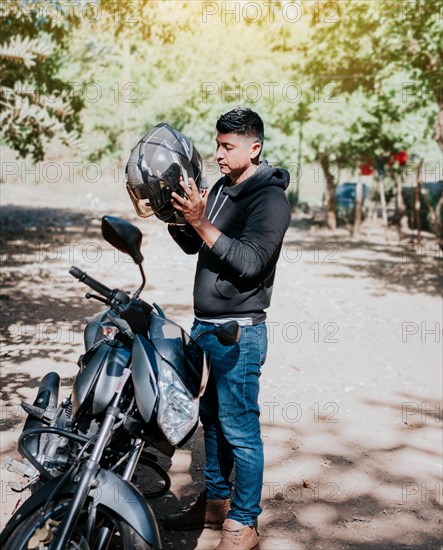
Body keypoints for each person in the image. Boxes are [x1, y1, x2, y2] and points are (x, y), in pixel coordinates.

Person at [163, 107, 291, 550]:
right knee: (211, 420)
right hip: (206, 328)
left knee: (240, 428)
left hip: (239, 332)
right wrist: (175, 210)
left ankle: (244, 522)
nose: (217, 153)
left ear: (254, 148)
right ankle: (216, 503)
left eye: (227, 146)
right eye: (216, 143)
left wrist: (201, 220)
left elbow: (252, 263)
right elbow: (192, 243)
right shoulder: (219, 187)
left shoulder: (270, 199)